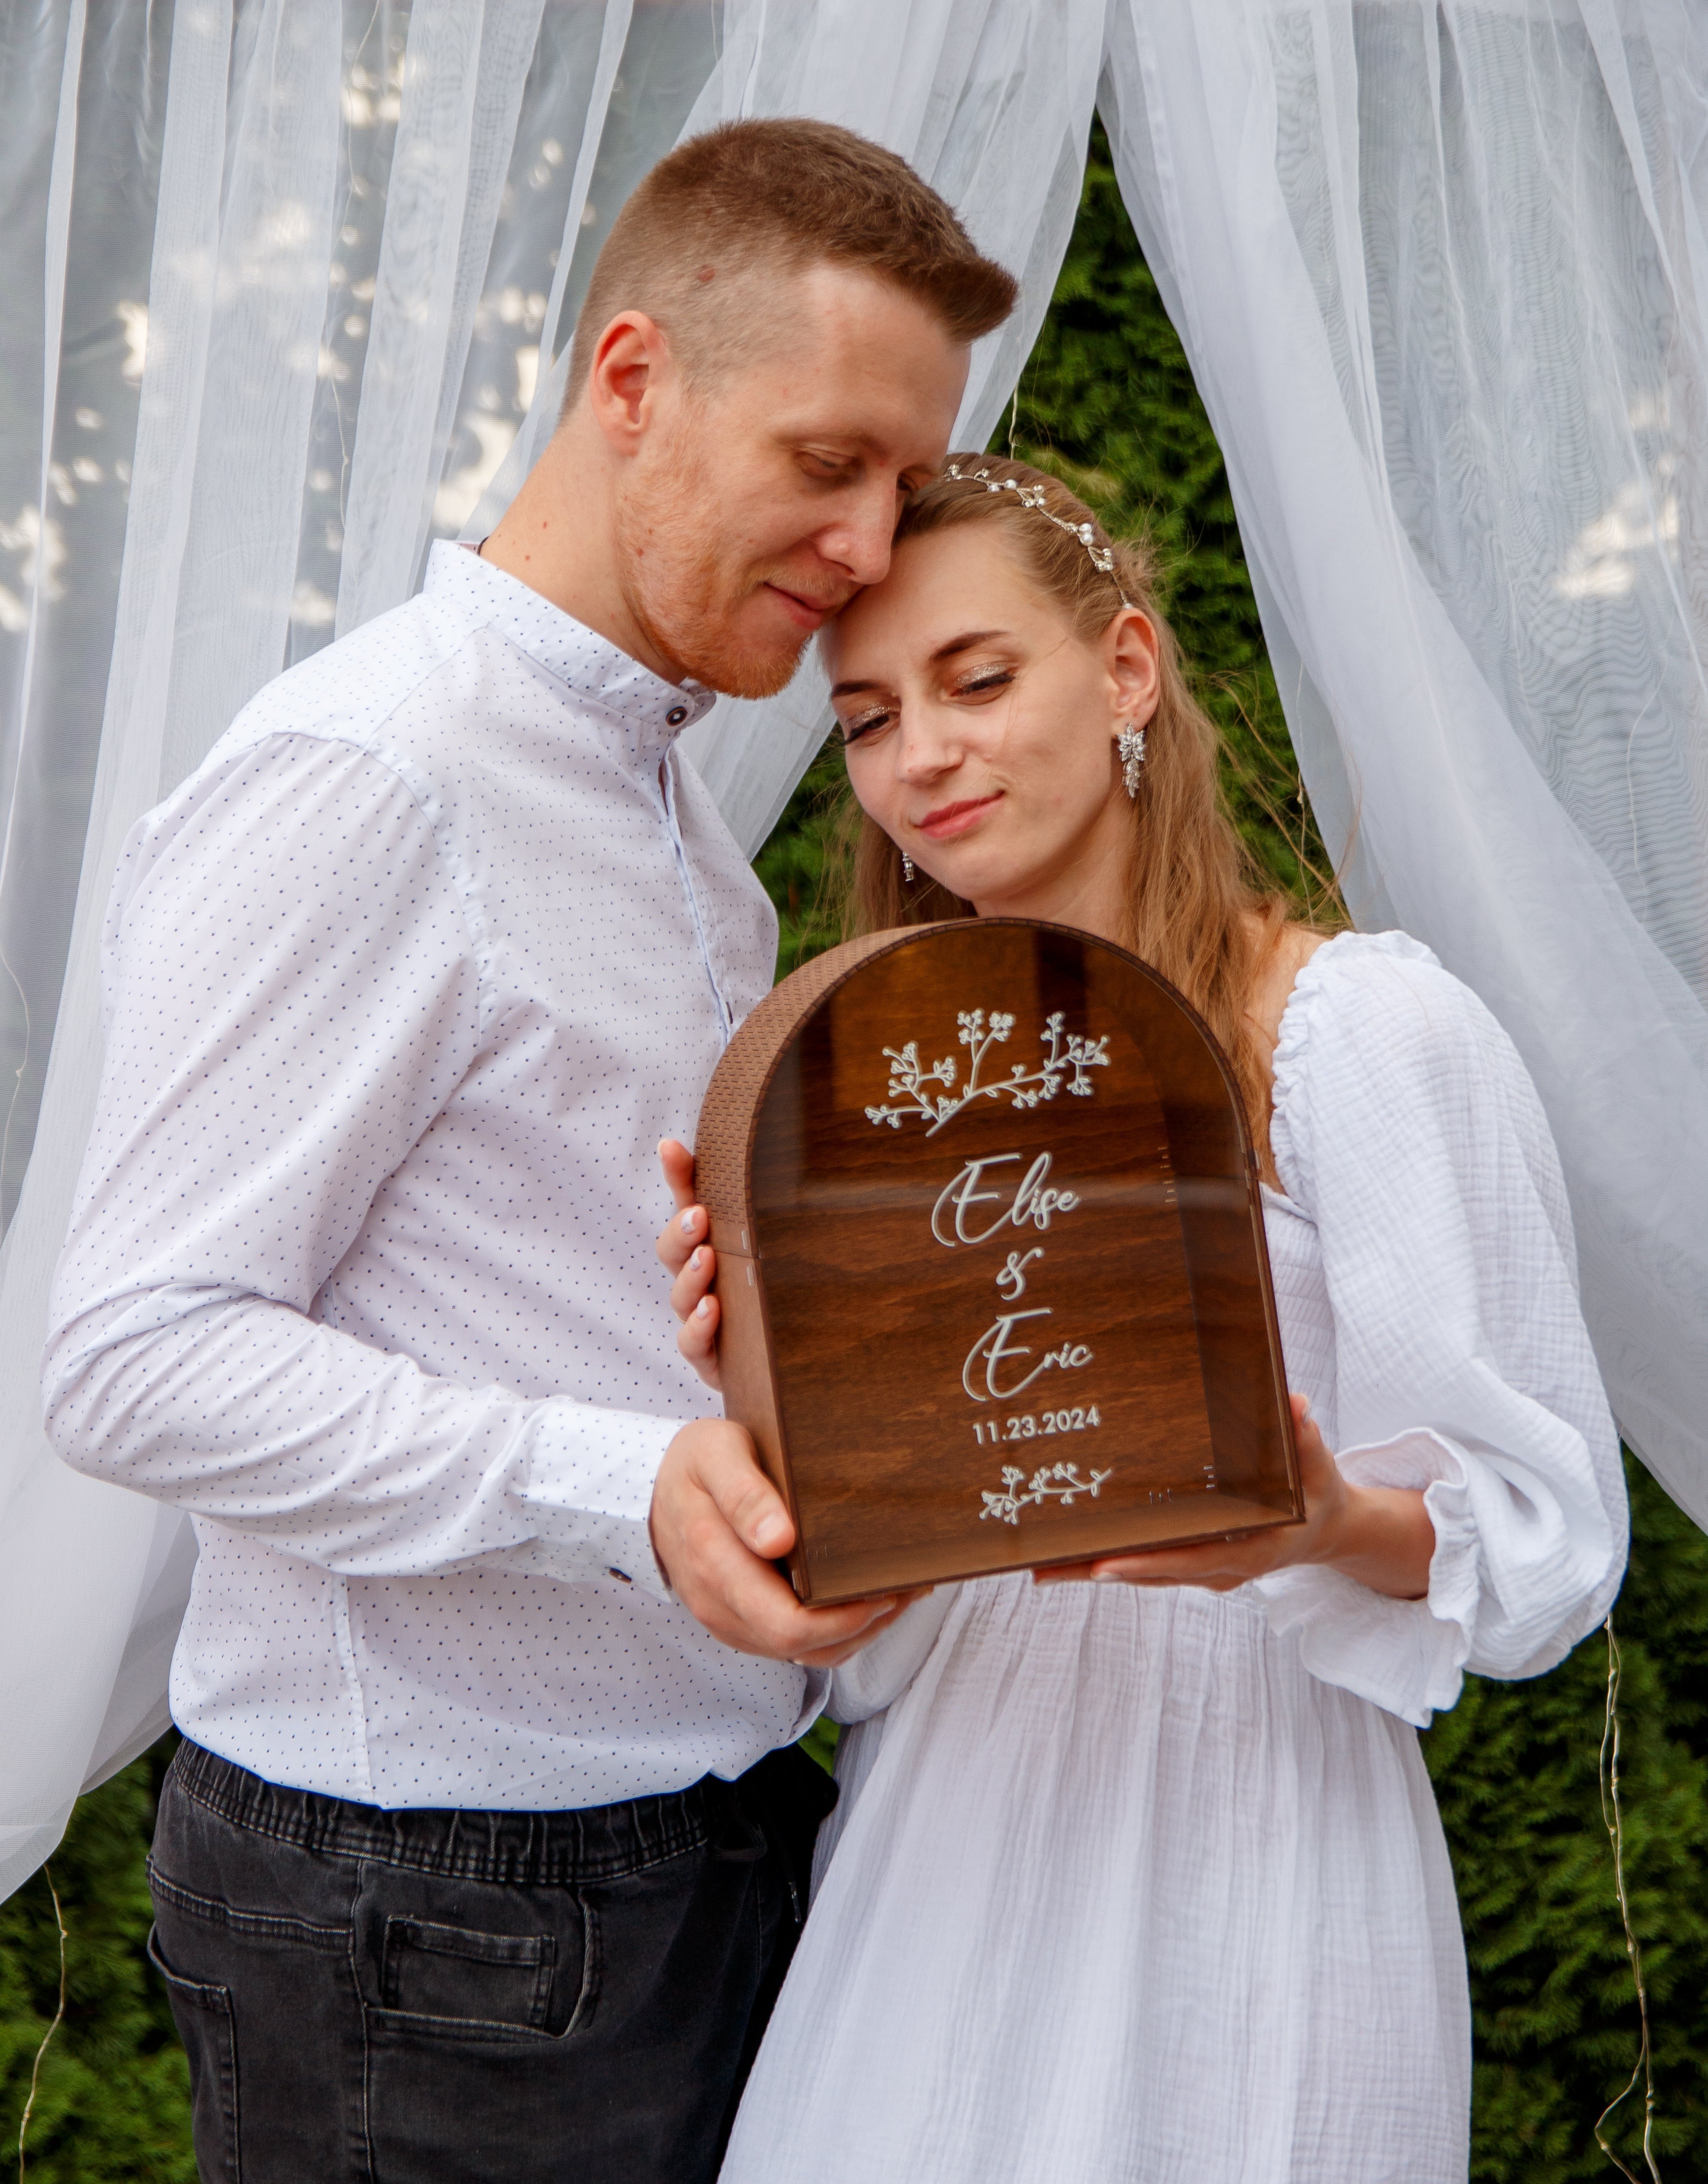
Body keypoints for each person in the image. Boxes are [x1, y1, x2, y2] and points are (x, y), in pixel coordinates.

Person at [40, 122, 1014, 2184]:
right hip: (435, 1917)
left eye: (905, 487)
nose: (868, 542)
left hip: (690, 1858)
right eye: (826, 460)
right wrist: (628, 1485)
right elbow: (135, 1350)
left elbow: (598, 1314)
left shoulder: (675, 821)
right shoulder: (369, 777)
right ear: (633, 377)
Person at [657, 455, 1628, 2183]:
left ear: (1124, 670)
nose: (922, 758)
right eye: (870, 718)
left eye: (976, 678)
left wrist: (1323, 1521)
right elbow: (863, 1592)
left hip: (1253, 1853)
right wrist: (760, 1380)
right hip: (941, 1850)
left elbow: (1547, 1547)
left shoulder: (1355, 1038)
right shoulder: (869, 1101)